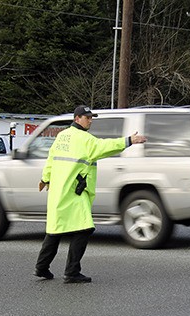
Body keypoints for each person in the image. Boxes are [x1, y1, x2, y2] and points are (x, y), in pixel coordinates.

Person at [34, 105, 147, 283]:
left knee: (55, 230)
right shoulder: (85, 139)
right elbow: (105, 146)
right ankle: (71, 272)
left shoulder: (61, 136)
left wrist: (45, 179)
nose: (90, 120)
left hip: (58, 191)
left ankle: (41, 267)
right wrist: (129, 140)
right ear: (77, 118)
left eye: (91, 117)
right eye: (87, 118)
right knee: (84, 228)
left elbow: (51, 159)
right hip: (75, 193)